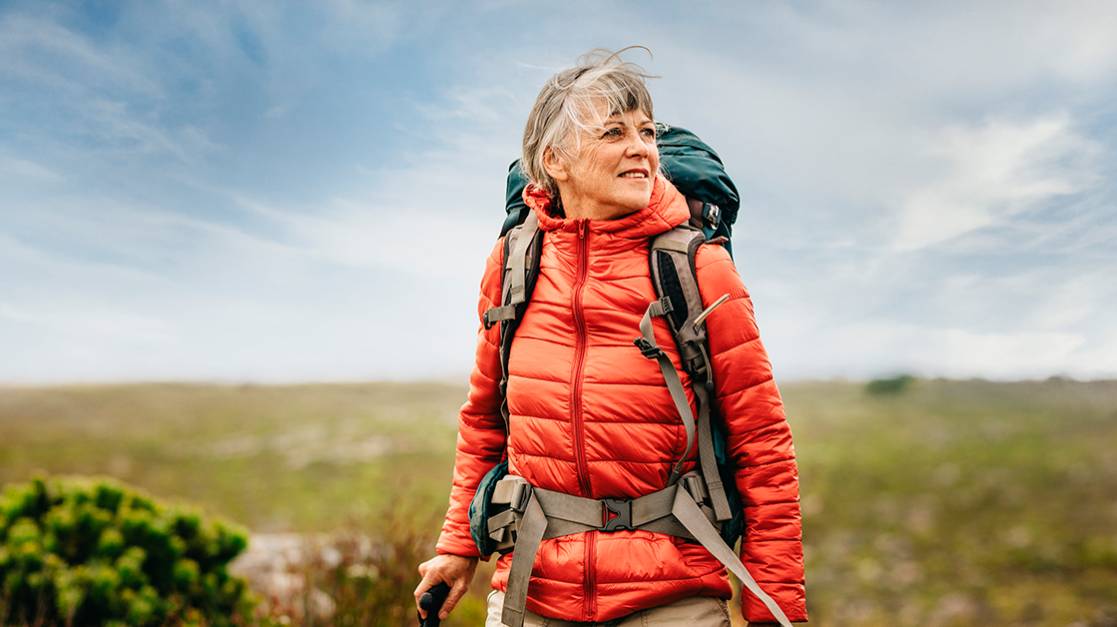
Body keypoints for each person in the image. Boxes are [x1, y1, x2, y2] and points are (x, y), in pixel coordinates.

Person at [415, 46, 808, 627]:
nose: (642, 149)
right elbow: (485, 421)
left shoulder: (698, 269)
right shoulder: (514, 264)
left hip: (672, 597)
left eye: (647, 132)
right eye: (614, 132)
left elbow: (762, 445)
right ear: (557, 160)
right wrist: (457, 547)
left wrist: (777, 610)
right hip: (533, 591)